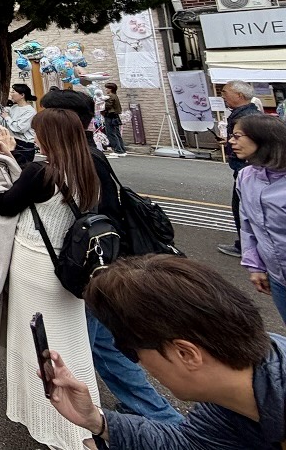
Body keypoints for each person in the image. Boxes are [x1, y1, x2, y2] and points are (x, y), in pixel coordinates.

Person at [40, 88, 184, 425]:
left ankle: (83, 422)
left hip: (98, 265)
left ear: (67, 121)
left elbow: (94, 217)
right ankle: (152, 412)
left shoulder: (85, 159)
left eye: (48, 115)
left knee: (84, 342)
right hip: (104, 263)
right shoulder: (83, 155)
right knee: (105, 345)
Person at [46, 255, 286, 450]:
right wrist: (95, 419)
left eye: (131, 351)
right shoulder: (229, 397)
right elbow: (189, 443)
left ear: (186, 354)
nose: (138, 364)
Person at [0, 108, 102, 449]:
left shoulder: (41, 172)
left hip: (35, 261)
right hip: (69, 266)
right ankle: (85, 419)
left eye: (39, 132)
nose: (35, 137)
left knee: (37, 343)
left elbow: (6, 205)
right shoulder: (87, 170)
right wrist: (12, 157)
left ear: (50, 136)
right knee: (70, 339)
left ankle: (54, 425)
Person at [230, 114, 286, 326]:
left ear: (263, 139)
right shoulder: (246, 177)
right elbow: (248, 225)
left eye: (237, 136)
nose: (231, 141)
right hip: (278, 277)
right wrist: (256, 266)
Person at [218, 79, 260, 258]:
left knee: (243, 209)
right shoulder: (247, 113)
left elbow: (256, 142)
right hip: (246, 168)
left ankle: (247, 248)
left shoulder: (245, 117)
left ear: (239, 95)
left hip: (246, 168)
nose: (223, 96)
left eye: (225, 92)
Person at [3, 83, 37, 166]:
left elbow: (20, 128)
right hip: (13, 141)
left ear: (22, 95)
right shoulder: (14, 108)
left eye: (13, 92)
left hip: (24, 145)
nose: (11, 94)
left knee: (21, 169)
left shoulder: (30, 111)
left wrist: (7, 117)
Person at [102, 82, 128, 157]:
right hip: (115, 117)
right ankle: (122, 150)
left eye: (107, 88)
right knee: (117, 133)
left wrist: (100, 102)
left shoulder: (110, 96)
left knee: (111, 133)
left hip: (110, 116)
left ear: (110, 89)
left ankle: (118, 150)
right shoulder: (114, 96)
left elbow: (107, 106)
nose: (106, 89)